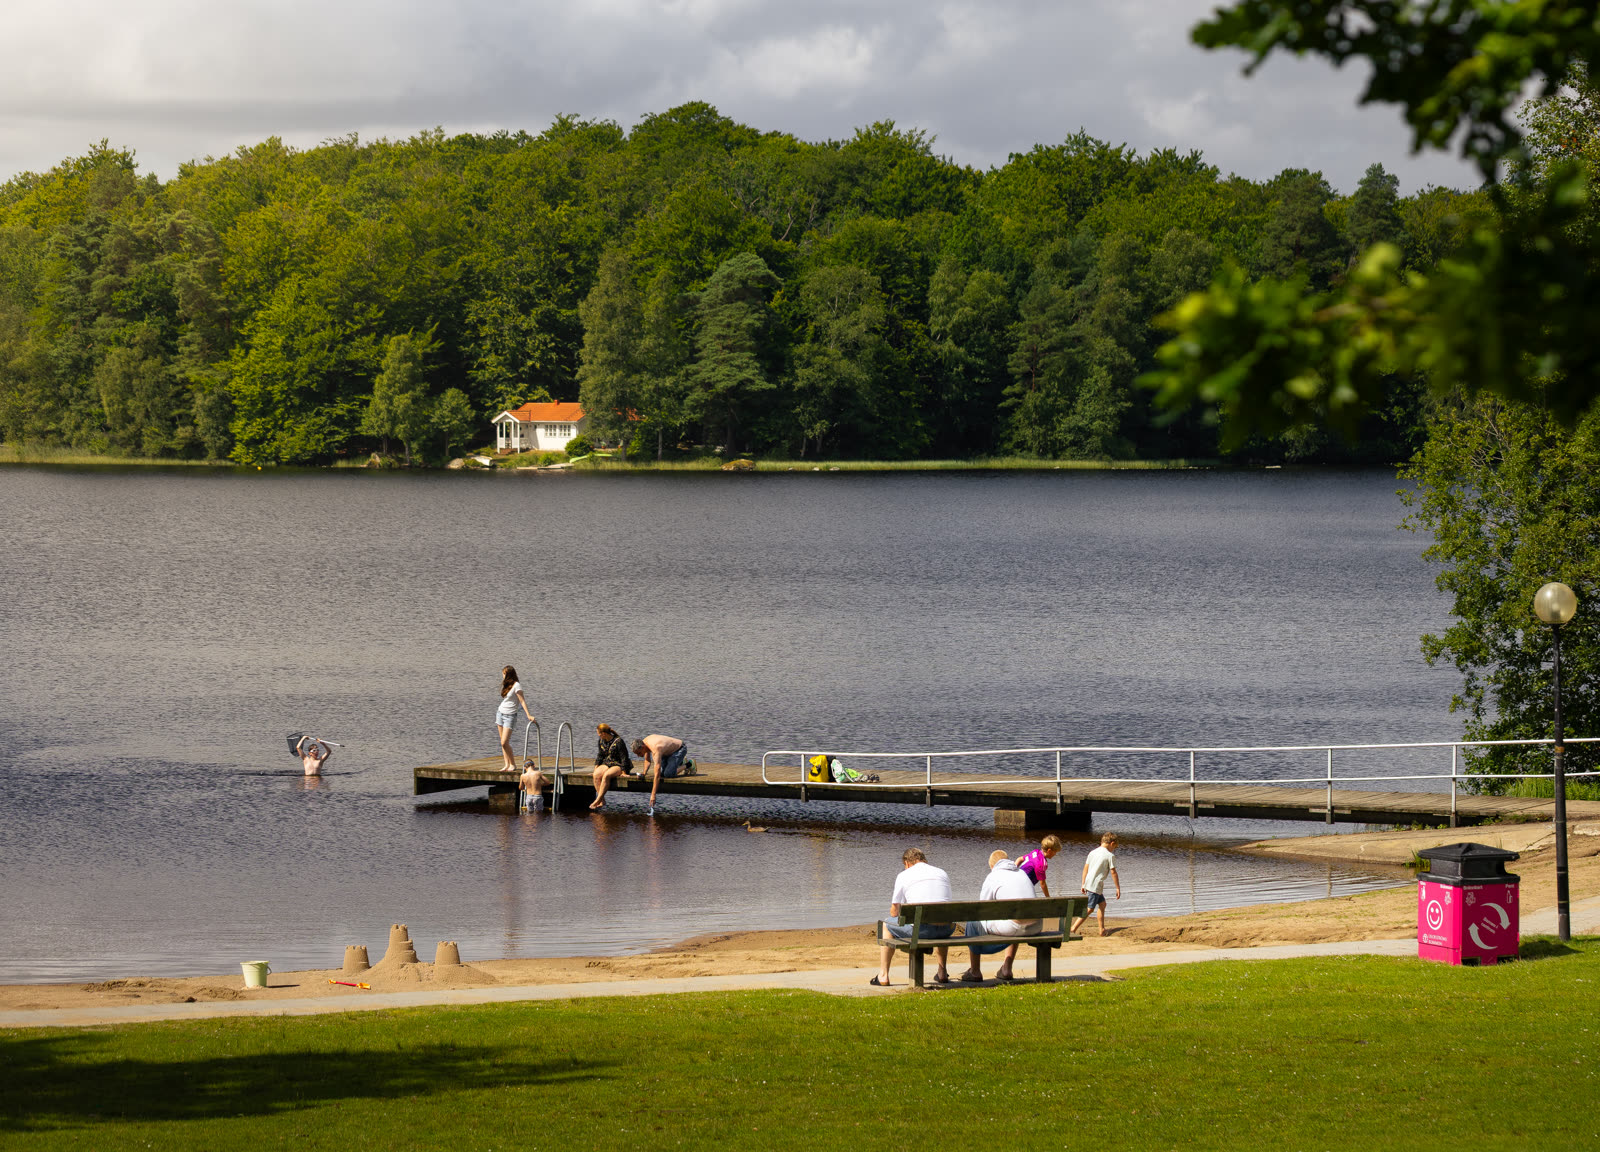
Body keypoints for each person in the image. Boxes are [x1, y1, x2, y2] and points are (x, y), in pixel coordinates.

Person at [873, 847, 954, 987]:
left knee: (886, 924)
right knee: (939, 918)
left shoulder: (904, 875)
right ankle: (942, 971)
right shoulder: (942, 873)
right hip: (946, 930)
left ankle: (883, 975)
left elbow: (894, 912)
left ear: (907, 863)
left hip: (921, 931)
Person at [960, 849, 1044, 982]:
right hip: (1036, 926)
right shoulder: (1022, 873)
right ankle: (1007, 968)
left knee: (972, 922)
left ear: (992, 866)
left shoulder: (993, 876)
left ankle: (975, 971)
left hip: (1014, 927)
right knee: (1015, 916)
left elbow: (982, 908)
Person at [1071, 832, 1122, 937]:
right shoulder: (1110, 855)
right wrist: (1117, 888)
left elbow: (1085, 868)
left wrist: (1083, 883)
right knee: (1089, 909)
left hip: (1091, 883)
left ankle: (1101, 930)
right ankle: (1073, 928)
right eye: (1115, 847)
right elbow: (1113, 872)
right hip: (1095, 885)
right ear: (1112, 843)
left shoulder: (1092, 852)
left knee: (1102, 905)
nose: (1114, 849)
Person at [632, 734, 690, 811]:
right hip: (666, 752)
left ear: (642, 747)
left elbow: (657, 776)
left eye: (639, 753)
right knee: (663, 773)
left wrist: (653, 795)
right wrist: (644, 773)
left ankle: (688, 764)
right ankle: (679, 762)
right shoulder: (644, 742)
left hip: (679, 749)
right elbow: (647, 760)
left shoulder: (656, 749)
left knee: (667, 774)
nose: (638, 756)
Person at [495, 665, 536, 772]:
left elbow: (522, 701)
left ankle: (513, 764)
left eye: (504, 674)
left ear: (509, 675)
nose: (502, 676)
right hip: (500, 713)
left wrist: (528, 715)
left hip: (510, 716)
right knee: (502, 742)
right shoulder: (507, 685)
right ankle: (506, 764)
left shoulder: (517, 685)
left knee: (505, 742)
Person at [589, 723, 633, 810]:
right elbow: (600, 755)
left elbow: (624, 757)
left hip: (618, 764)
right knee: (596, 775)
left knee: (606, 775)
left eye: (599, 733)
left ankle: (597, 800)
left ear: (604, 733)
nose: (598, 735)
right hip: (607, 763)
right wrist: (595, 769)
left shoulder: (618, 741)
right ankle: (602, 800)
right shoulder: (601, 741)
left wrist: (624, 772)